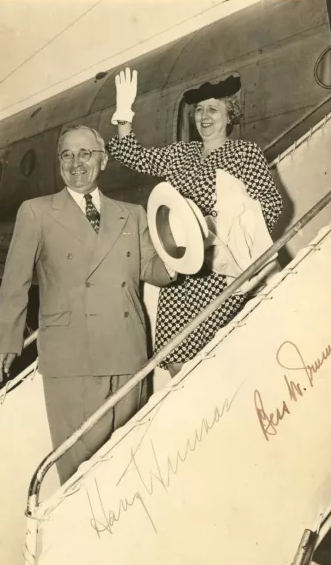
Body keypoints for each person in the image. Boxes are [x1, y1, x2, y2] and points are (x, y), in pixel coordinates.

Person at [0, 125, 174, 483]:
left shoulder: (132, 214)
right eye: (67, 155)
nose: (76, 163)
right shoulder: (36, 212)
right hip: (72, 358)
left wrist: (187, 253)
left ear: (103, 161)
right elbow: (15, 282)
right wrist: (7, 342)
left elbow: (152, 269)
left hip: (128, 351)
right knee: (79, 474)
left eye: (85, 154)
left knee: (128, 468)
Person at [108, 68, 283, 378]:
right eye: (199, 109)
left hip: (221, 272)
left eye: (213, 109)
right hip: (179, 273)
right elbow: (133, 156)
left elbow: (271, 205)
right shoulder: (181, 153)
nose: (204, 116)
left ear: (230, 116)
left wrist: (222, 226)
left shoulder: (245, 153)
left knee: (214, 360)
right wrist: (124, 114)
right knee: (175, 359)